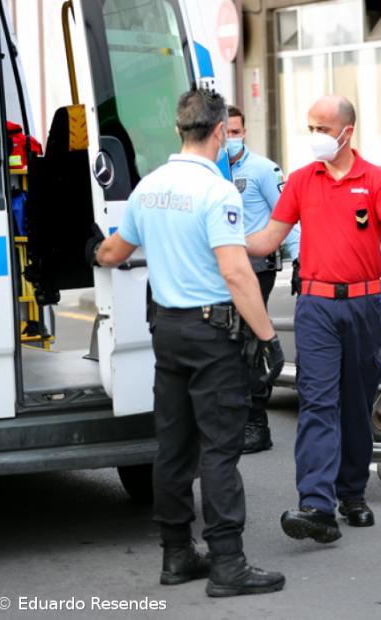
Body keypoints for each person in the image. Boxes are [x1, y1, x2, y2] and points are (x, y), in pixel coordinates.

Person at [90, 88, 285, 598]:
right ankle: (227, 564)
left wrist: (92, 247)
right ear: (220, 131)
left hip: (168, 332)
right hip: (213, 335)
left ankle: (176, 554)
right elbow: (237, 272)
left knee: (173, 448)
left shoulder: (149, 188)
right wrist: (267, 337)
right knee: (220, 449)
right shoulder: (218, 191)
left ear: (179, 129)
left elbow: (113, 251)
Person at [247, 95, 381, 543]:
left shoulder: (376, 181)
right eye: (311, 128)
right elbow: (268, 240)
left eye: (323, 128)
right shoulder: (301, 181)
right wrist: (219, 239)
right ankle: (315, 505)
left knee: (357, 406)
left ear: (347, 132)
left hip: (363, 306)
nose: (316, 137)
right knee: (318, 403)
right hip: (316, 306)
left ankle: (353, 493)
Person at [226, 105, 302, 455]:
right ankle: (236, 417)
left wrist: (301, 258)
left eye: (236, 132)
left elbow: (288, 215)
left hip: (258, 266)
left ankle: (257, 422)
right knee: (229, 342)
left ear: (244, 133)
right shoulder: (211, 171)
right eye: (225, 132)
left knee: (250, 337)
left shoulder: (262, 170)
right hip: (223, 268)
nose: (231, 139)